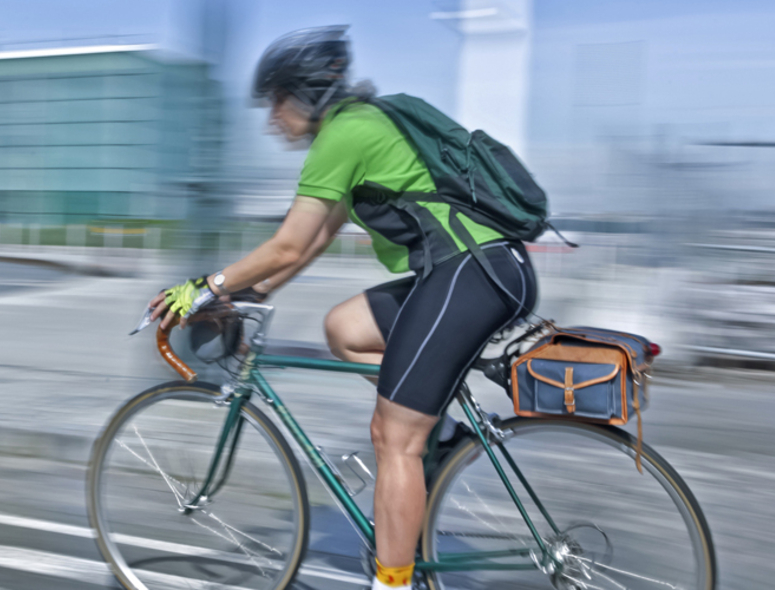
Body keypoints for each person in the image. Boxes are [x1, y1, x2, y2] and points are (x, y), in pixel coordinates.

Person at [147, 25, 538, 590]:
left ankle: (394, 581)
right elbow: (310, 243)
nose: (271, 119)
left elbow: (285, 243)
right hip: (483, 271)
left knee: (392, 436)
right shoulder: (362, 125)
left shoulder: (343, 137)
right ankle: (443, 434)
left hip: (472, 274)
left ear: (304, 95)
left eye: (276, 102)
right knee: (346, 328)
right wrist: (249, 295)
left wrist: (201, 289)